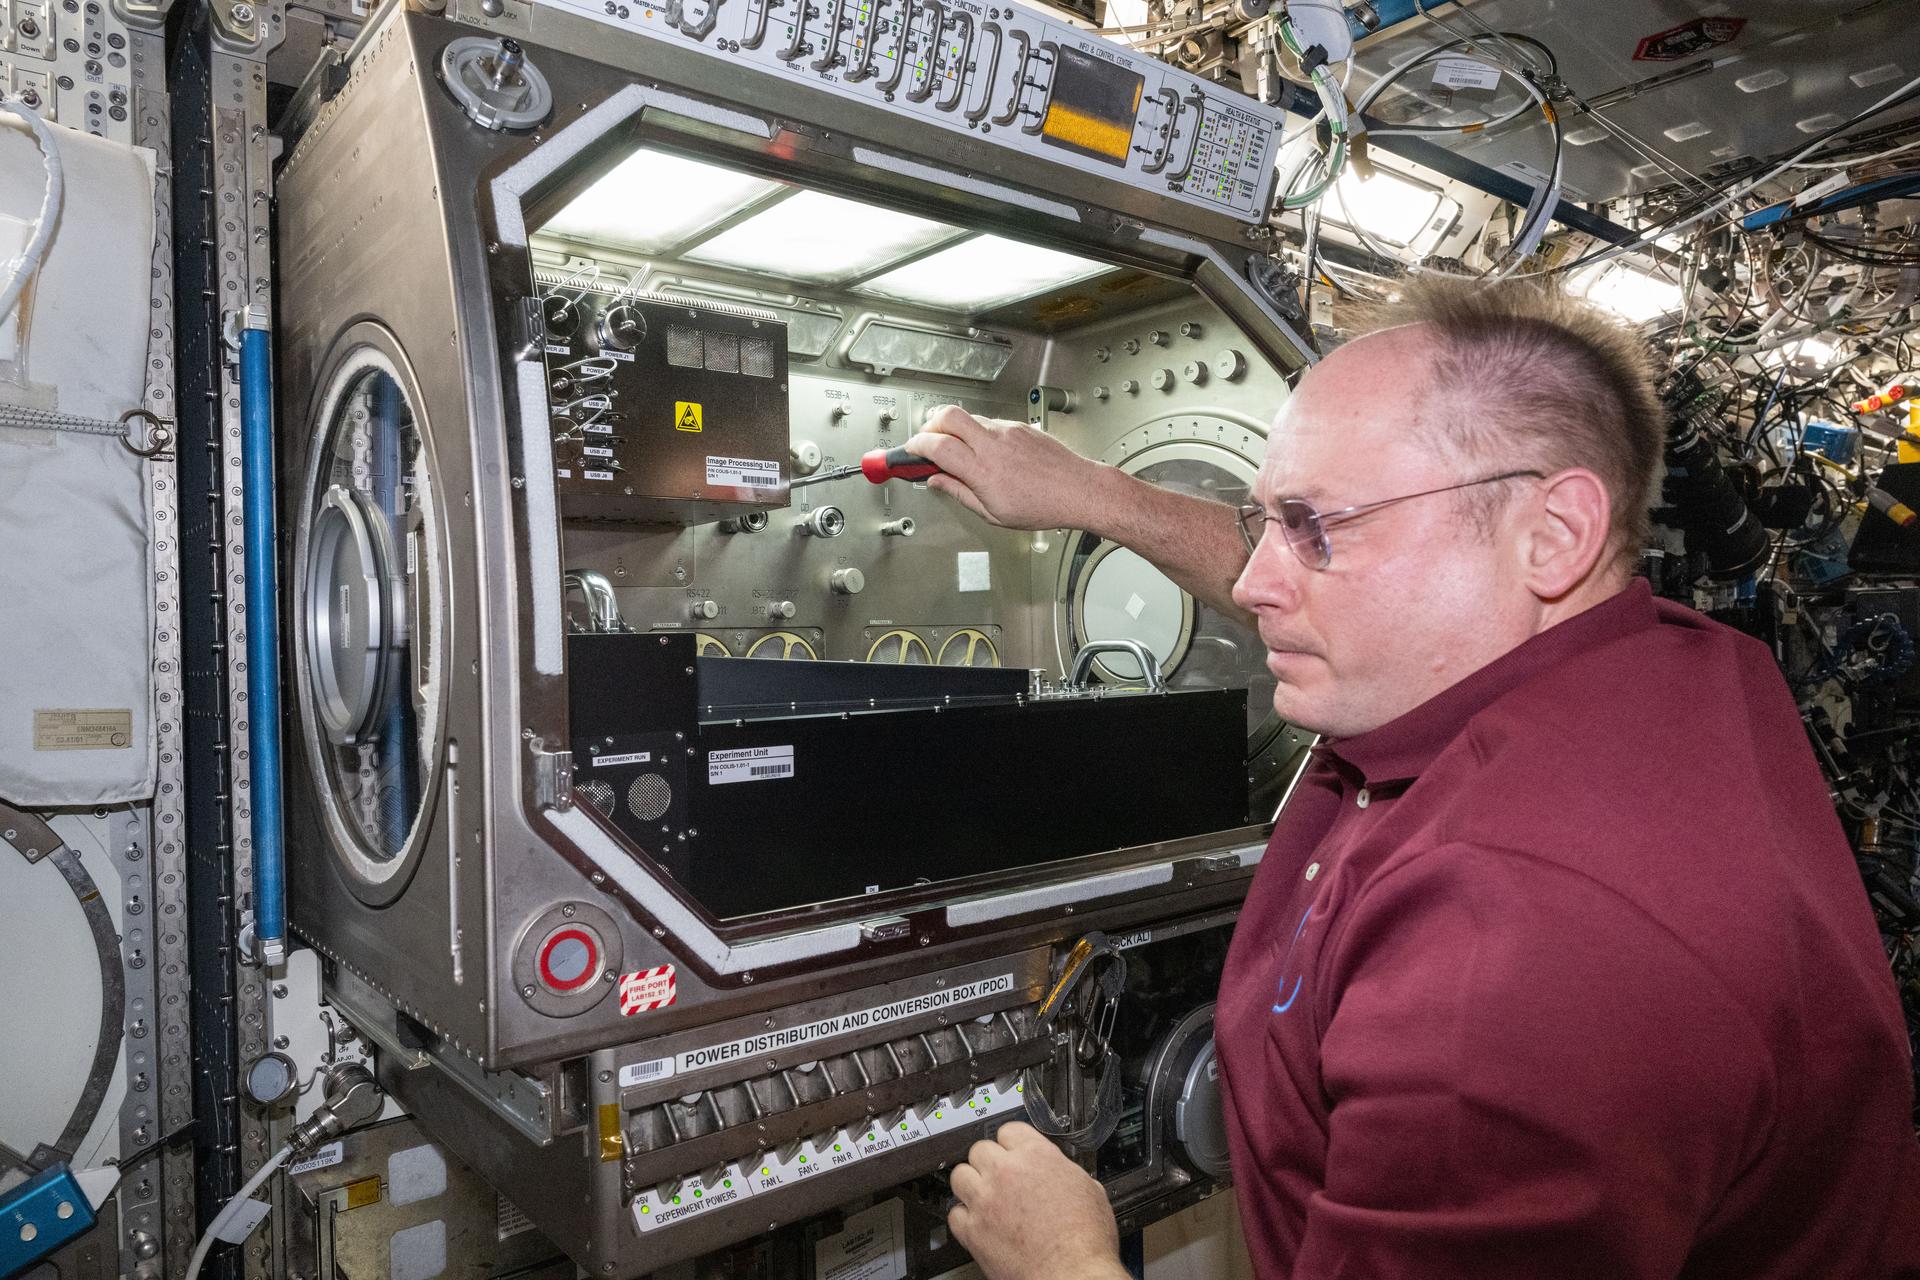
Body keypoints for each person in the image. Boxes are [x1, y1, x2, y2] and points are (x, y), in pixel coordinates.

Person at [922, 276, 1920, 1279]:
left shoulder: (1514, 968)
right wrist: (1094, 495)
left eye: (1314, 524)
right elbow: (1322, 577)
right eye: (1264, 518)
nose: (1261, 580)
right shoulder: (1669, 664)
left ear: (1554, 535)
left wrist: (1062, 1259)